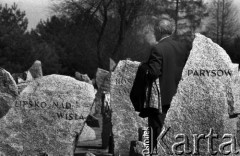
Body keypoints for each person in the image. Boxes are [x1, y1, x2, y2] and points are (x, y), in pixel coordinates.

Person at [146, 16, 191, 153]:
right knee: (175, 136)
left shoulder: (158, 48)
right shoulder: (183, 48)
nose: (153, 33)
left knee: (157, 135)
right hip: (179, 98)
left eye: (154, 30)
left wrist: (143, 72)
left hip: (161, 100)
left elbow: (153, 73)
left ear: (159, 31)